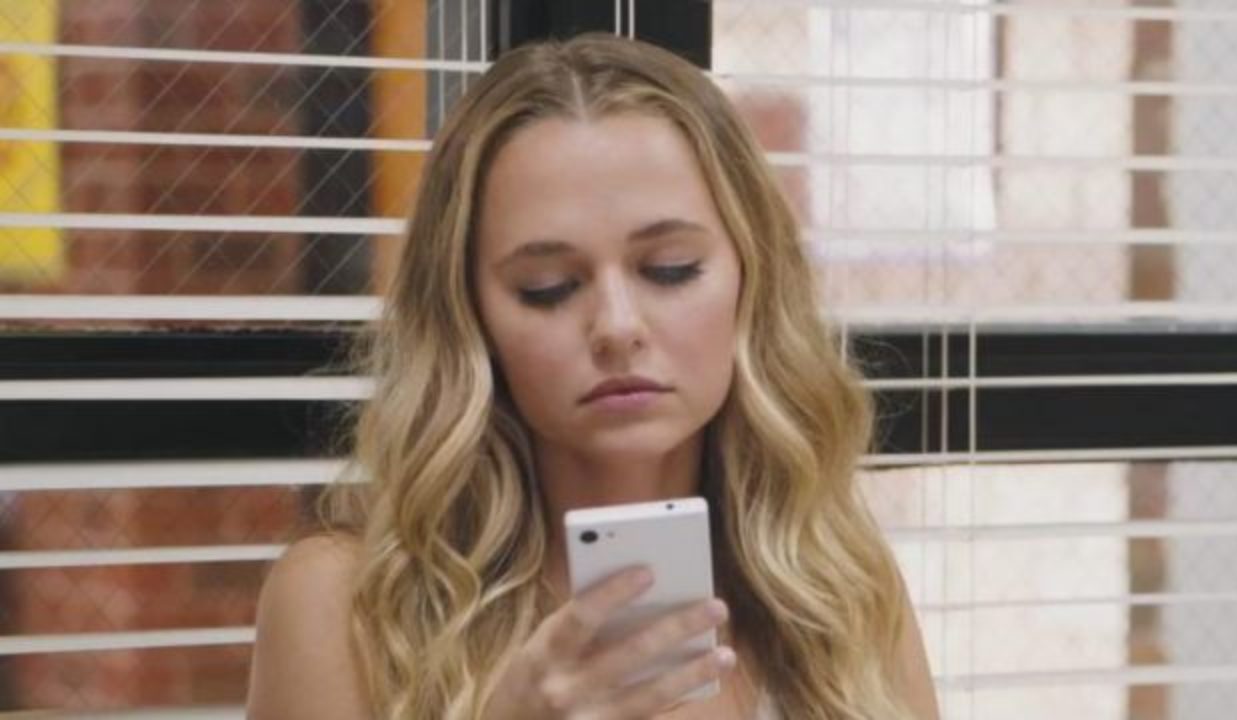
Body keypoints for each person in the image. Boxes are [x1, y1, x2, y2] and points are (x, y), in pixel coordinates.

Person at [246, 32, 939, 720]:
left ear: (751, 280)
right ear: (470, 316)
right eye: (547, 287)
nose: (616, 325)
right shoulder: (341, 602)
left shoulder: (836, 585)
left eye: (670, 270)